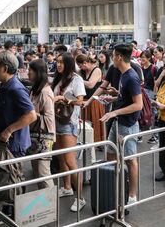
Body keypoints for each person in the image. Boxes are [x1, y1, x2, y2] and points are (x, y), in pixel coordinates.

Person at [0, 51, 37, 220]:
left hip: (14, 143)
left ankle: (16, 214)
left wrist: (9, 130)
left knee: (14, 178)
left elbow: (31, 115)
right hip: (7, 142)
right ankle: (8, 211)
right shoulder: (5, 86)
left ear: (4, 68)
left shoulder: (16, 88)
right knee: (7, 178)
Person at [100, 43, 143, 204]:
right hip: (119, 121)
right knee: (111, 155)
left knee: (131, 159)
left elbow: (138, 105)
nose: (112, 59)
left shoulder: (131, 77)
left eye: (113, 56)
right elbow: (126, 98)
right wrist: (114, 97)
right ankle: (115, 186)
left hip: (128, 123)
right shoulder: (123, 74)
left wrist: (115, 111)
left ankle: (132, 195)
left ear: (118, 57)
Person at [52, 52, 86, 212]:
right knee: (61, 158)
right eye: (57, 62)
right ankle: (67, 187)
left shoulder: (76, 79)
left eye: (61, 62)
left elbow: (81, 101)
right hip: (57, 121)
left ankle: (80, 198)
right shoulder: (59, 79)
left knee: (70, 161)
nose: (58, 65)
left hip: (68, 123)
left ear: (68, 64)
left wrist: (63, 99)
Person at [27, 59, 55, 189]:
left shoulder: (45, 91)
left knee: (43, 172)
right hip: (34, 134)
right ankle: (44, 204)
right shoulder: (34, 90)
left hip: (44, 136)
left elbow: (49, 118)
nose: (28, 73)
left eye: (30, 71)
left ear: (38, 73)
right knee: (37, 171)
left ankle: (51, 204)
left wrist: (31, 114)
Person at [76, 54, 104, 143]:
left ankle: (97, 142)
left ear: (85, 63)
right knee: (84, 125)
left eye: (81, 66)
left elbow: (91, 85)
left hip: (93, 101)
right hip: (84, 100)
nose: (81, 68)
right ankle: (84, 141)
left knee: (94, 123)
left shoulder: (97, 70)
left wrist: (78, 79)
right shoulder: (82, 71)